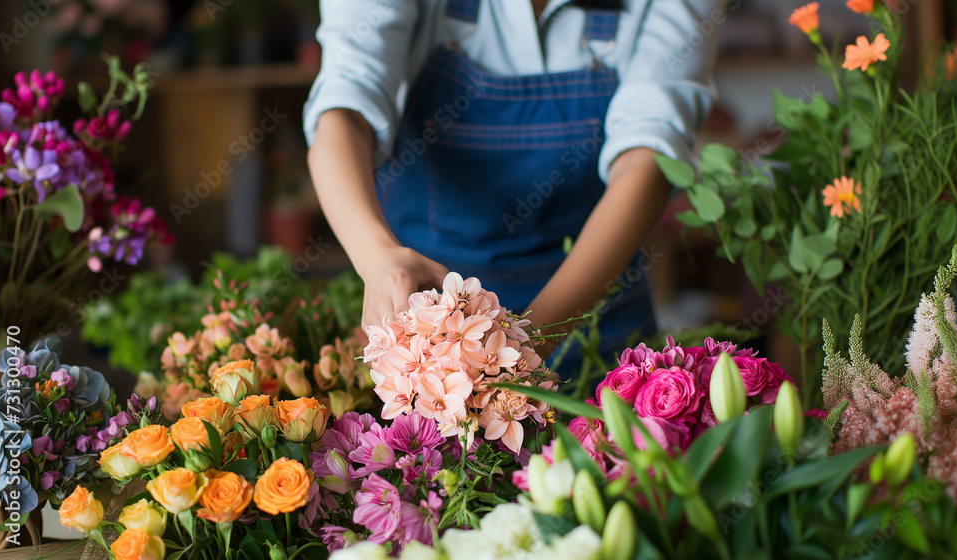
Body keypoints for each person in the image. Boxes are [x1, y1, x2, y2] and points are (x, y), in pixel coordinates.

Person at [305, 0, 719, 368]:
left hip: (597, 324)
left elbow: (646, 158)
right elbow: (343, 108)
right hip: (427, 328)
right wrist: (379, 260)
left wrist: (527, 345)